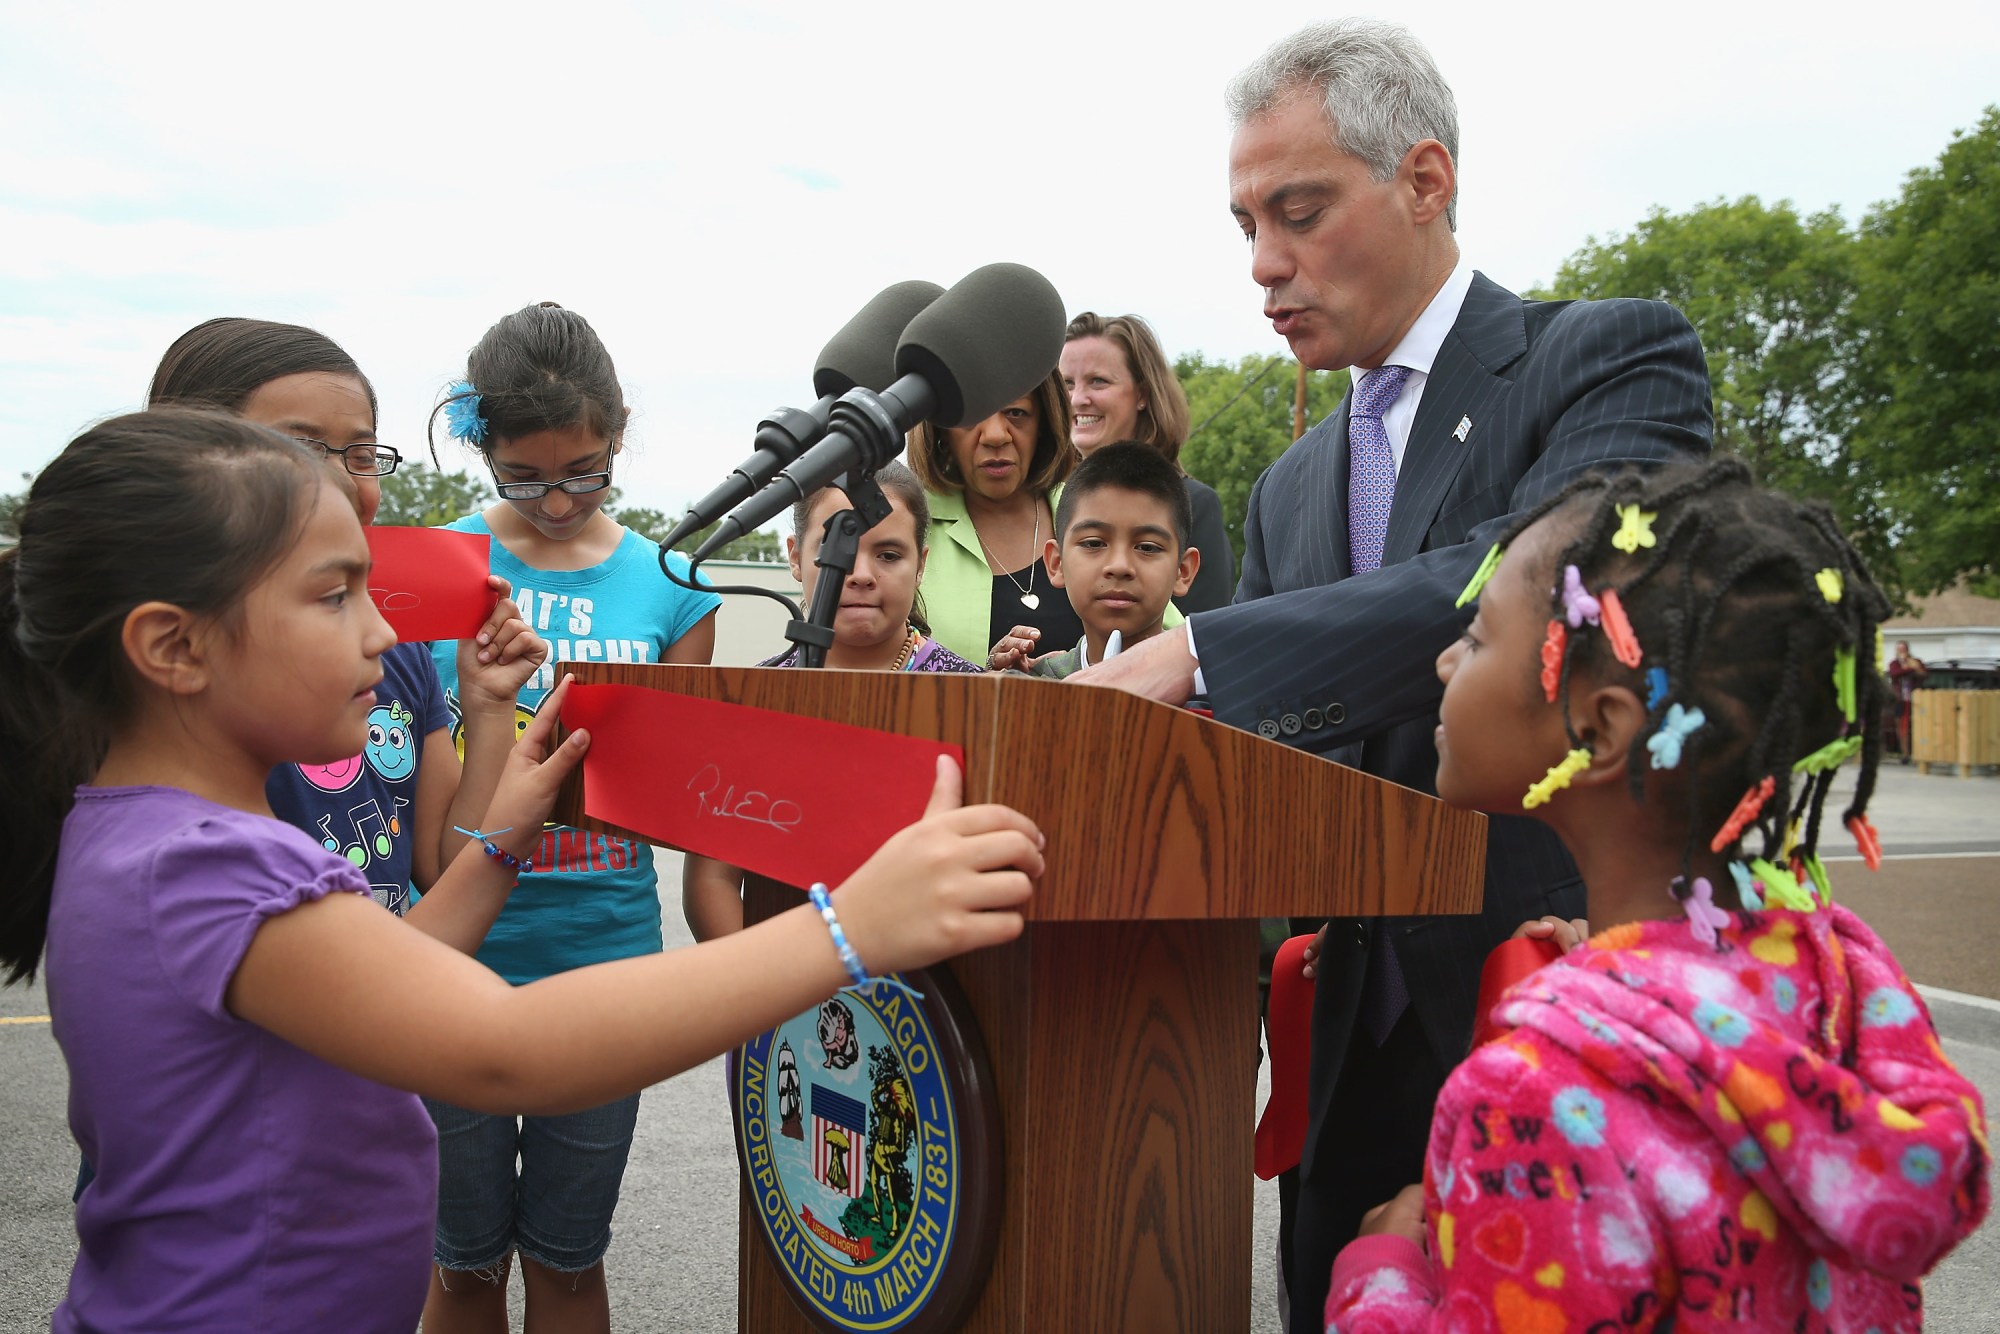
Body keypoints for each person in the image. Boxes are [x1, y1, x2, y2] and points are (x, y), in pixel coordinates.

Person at [3, 410, 1043, 1333]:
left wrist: (501, 830)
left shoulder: (146, 836)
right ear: (172, 648)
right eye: (334, 596)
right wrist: (849, 925)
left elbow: (391, 970)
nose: (382, 629)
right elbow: (508, 1048)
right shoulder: (208, 867)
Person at [1074, 21, 1714, 1330]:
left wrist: (1197, 650)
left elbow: (1539, 584)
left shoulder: (1604, 360)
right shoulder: (1293, 484)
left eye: (1298, 211)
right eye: (1244, 222)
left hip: (1555, 1009)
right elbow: (1268, 758)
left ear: (1425, 179)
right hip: (1342, 1034)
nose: (1263, 265)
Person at [1322, 457, 1989, 1329]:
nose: (1447, 661)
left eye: (1479, 636)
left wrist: (1379, 1270)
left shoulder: (1535, 1098)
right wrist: (1616, 974)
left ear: (1597, 729)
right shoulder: (1844, 972)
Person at [422, 302, 722, 1331]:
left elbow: (686, 792)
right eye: (526, 476)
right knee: (460, 1259)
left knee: (566, 1251)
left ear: (620, 432)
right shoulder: (440, 564)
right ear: (481, 448)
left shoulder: (673, 586)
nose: (556, 500)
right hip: (450, 948)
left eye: (585, 471)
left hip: (604, 948)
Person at [147, 318, 540, 919]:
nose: (339, 478)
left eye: (361, 453)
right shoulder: (177, 665)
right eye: (299, 447)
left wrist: (487, 711)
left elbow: (443, 871)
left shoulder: (398, 646)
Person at [684, 462, 984, 941]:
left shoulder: (972, 697)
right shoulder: (756, 701)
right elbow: (712, 880)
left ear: (922, 563)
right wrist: (759, 1000)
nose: (860, 574)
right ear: (795, 558)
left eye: (888, 554)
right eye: (836, 549)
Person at [904, 369, 1085, 662]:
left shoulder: (1091, 511)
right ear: (940, 430)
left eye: (1016, 412)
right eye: (971, 416)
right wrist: (986, 681)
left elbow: (1169, 643)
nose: (995, 435)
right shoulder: (904, 528)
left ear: (1045, 420)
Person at [1061, 312, 1235, 613]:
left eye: (1098, 382)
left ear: (1142, 394)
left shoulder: (1195, 504)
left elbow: (1201, 634)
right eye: (1066, 384)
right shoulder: (1044, 503)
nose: (1078, 399)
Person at [988, 442, 1199, 679]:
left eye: (1146, 547)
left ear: (1183, 571)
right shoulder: (1034, 687)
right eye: (1093, 543)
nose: (1119, 566)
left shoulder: (1210, 692)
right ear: (1056, 563)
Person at [1887, 640, 1927, 761]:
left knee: (1917, 726)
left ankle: (1919, 752)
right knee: (1901, 727)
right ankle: (1905, 754)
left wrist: (1913, 667)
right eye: (1899, 650)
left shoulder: (1916, 661)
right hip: (1900, 699)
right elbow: (1895, 674)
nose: (1901, 652)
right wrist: (1909, 669)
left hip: (1915, 699)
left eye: (1903, 649)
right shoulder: (1894, 664)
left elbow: (1923, 674)